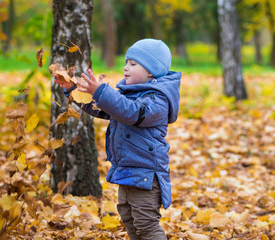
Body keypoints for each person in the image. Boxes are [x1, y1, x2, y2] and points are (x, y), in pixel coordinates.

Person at [54, 38, 181, 240]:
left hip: (147, 176)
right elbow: (103, 109)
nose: (125, 68)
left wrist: (102, 91)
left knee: (146, 224)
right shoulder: (130, 94)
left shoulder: (158, 100)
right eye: (126, 62)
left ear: (151, 71)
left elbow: (131, 112)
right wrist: (73, 89)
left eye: (133, 64)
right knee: (129, 219)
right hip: (128, 171)